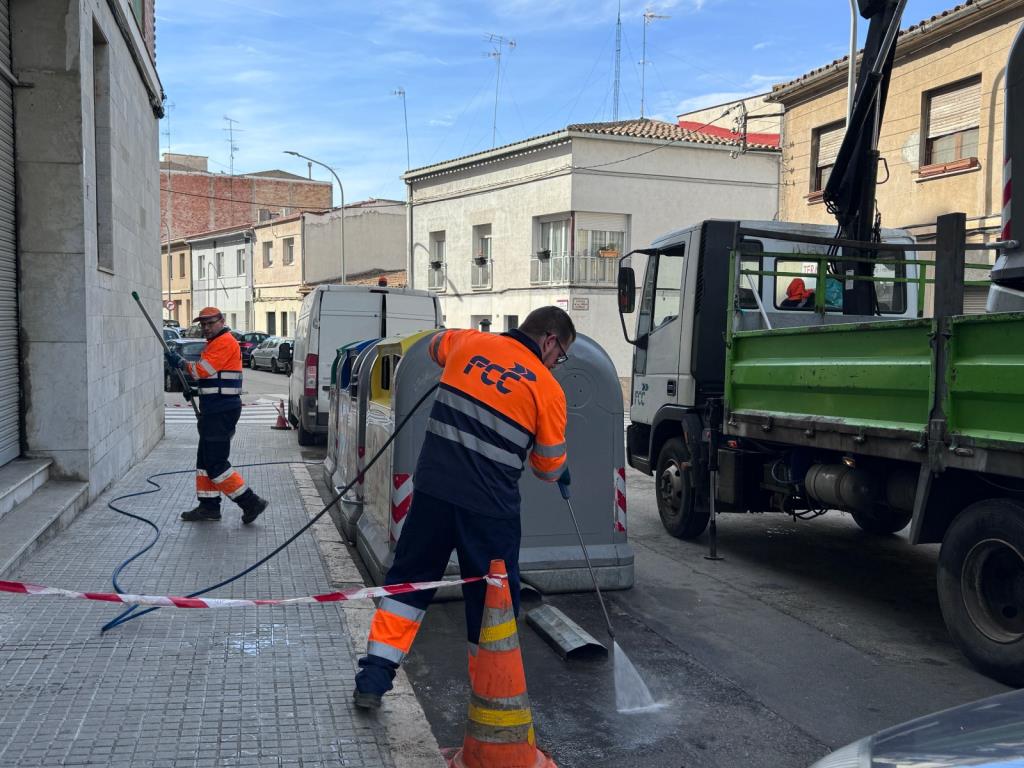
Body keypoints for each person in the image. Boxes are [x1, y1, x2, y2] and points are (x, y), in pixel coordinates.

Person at [352, 305, 575, 710]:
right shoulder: (547, 388)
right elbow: (546, 467)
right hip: (490, 510)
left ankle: (373, 676)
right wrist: (562, 470)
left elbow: (434, 346)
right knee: (492, 602)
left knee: (408, 582)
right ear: (550, 341)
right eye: (560, 356)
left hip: (434, 492)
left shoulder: (470, 342)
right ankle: (490, 699)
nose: (557, 364)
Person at [165, 307, 269, 525]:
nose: (206, 328)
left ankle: (251, 502)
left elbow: (201, 370)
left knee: (215, 462)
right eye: (203, 324)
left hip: (221, 411)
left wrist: (180, 363)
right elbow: (215, 378)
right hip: (215, 408)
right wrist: (196, 391)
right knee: (204, 461)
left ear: (221, 321)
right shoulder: (215, 343)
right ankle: (208, 506)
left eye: (210, 323)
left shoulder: (224, 342)